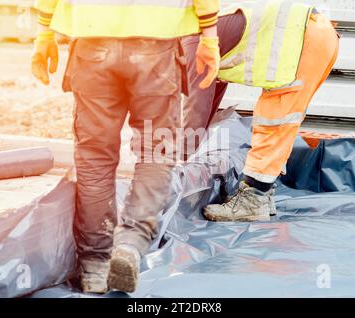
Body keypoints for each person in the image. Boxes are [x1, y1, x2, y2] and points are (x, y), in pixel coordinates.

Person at [31, 0, 221, 294]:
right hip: (156, 49)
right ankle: (132, 243)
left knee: (95, 156)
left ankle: (95, 264)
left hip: (93, 46)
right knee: (155, 153)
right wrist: (210, 36)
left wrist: (43, 34)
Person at [181, 1, 340, 222]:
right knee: (280, 123)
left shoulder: (191, 41)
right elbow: (208, 99)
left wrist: (175, 160)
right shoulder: (201, 32)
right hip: (313, 34)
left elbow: (196, 107)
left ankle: (253, 200)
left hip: (303, 38)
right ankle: (262, 194)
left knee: (274, 121)